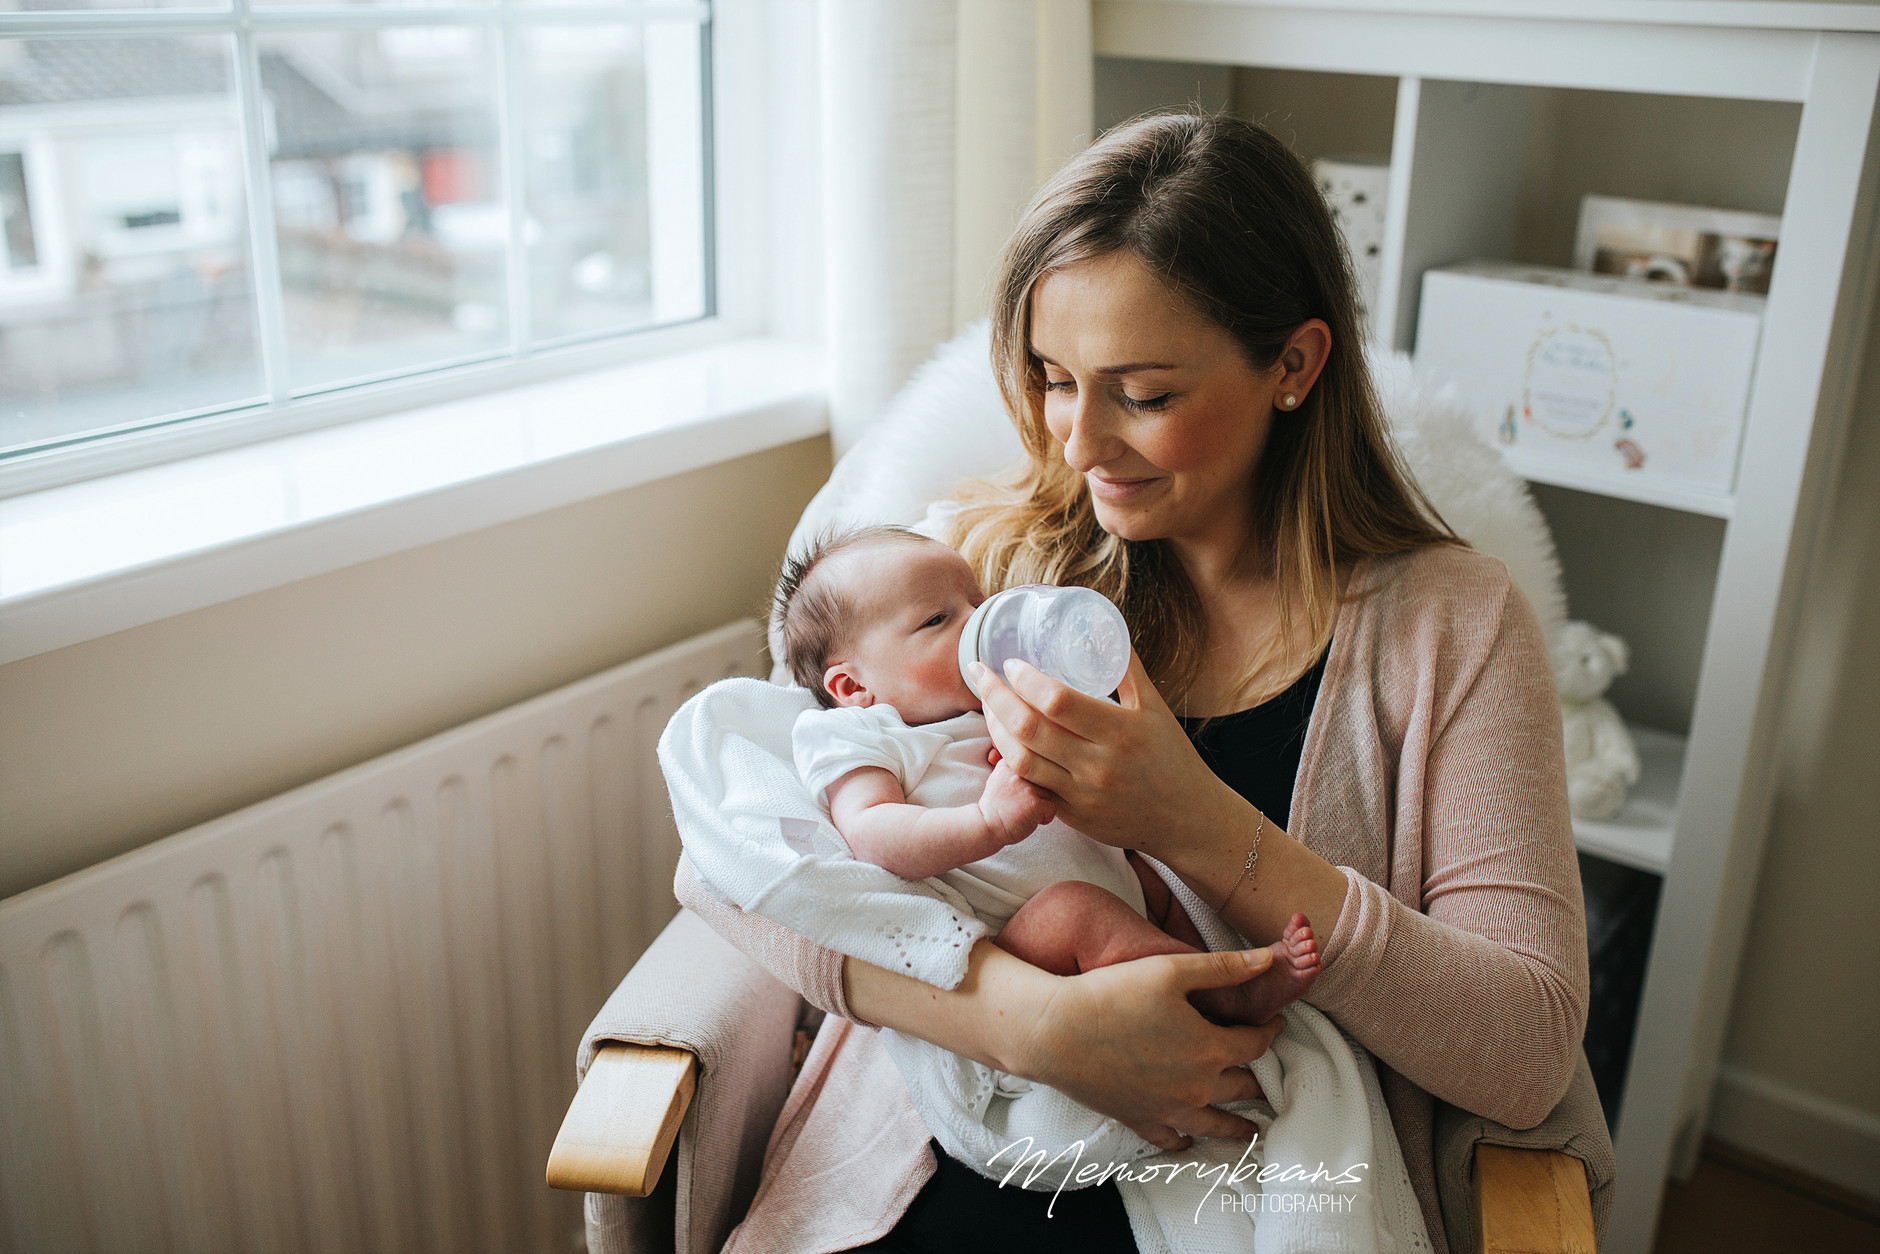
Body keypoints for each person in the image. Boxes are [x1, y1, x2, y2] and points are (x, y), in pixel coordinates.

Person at [674, 110, 1589, 1254]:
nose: (1076, 443)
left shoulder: (1450, 629)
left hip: (1254, 1188)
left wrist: (1197, 824)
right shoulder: (976, 568)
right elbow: (735, 858)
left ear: (1293, 366)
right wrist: (1030, 1023)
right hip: (945, 1161)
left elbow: (1526, 1049)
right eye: (1054, 379)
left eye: (1142, 394)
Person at [776, 522, 1320, 1028]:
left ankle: (1206, 970)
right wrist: (987, 822)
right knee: (1074, 912)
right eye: (938, 620)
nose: (977, 621)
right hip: (1022, 943)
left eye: (977, 601)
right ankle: (1222, 993)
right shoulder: (866, 734)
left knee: (1153, 875)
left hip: (1113, 883)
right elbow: (872, 833)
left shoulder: (999, 702)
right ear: (852, 687)